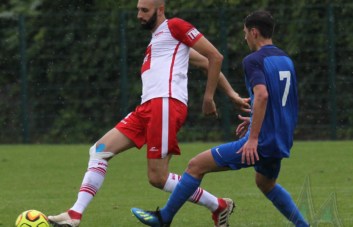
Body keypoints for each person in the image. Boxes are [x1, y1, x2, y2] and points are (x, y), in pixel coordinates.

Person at [48, 0, 250, 226]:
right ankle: (75, 214)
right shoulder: (160, 40)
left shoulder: (175, 26)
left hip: (165, 104)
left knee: (158, 177)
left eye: (144, 10)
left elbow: (215, 57)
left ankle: (218, 205)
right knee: (99, 151)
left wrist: (209, 97)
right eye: (138, 10)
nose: (139, 15)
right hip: (147, 108)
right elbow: (205, 63)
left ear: (160, 10)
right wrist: (232, 95)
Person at [132, 10, 311, 227]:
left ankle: (164, 218)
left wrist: (253, 137)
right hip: (281, 137)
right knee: (265, 183)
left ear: (254, 32)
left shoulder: (253, 60)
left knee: (196, 165)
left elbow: (262, 95)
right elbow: (286, 101)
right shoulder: (285, 59)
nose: (245, 38)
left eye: (245, 33)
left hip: (261, 141)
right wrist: (255, 119)